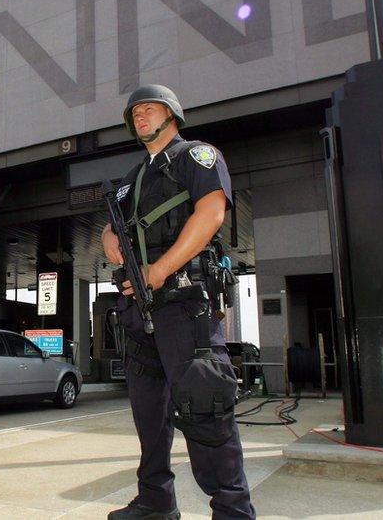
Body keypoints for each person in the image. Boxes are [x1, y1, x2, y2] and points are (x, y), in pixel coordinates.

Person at [101, 85, 255, 520]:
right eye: (135, 113)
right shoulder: (134, 177)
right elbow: (112, 226)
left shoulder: (197, 156)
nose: (141, 117)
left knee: (204, 406)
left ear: (172, 114)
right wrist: (109, 237)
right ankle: (155, 501)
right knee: (149, 415)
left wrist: (161, 268)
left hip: (185, 303)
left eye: (149, 109)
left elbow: (211, 214)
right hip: (139, 311)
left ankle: (233, 510)